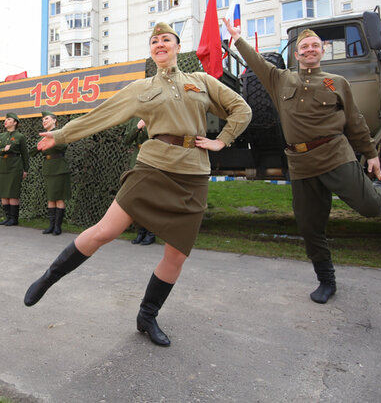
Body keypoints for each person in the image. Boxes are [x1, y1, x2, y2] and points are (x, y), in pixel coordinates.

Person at [24, 22, 252, 347]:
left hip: (193, 174)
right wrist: (61, 134)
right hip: (153, 167)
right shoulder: (141, 88)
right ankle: (48, 278)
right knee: (106, 230)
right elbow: (97, 117)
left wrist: (223, 141)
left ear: (176, 46)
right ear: (151, 50)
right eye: (155, 41)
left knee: (176, 255)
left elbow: (241, 109)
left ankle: (147, 316)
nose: (160, 44)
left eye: (166, 40)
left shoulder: (200, 82)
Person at [223, 19, 381, 304]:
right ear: (296, 54)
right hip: (300, 163)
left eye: (314, 46)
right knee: (309, 226)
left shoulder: (335, 82)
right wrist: (238, 39)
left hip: (335, 156)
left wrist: (371, 154)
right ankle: (326, 280)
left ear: (322, 51)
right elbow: (256, 62)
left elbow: (355, 122)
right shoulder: (282, 79)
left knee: (370, 208)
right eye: (304, 47)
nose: (309, 50)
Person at [30, 111, 71, 235]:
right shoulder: (43, 136)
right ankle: (51, 226)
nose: (44, 121)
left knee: (59, 198)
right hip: (48, 168)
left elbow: (63, 146)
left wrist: (52, 139)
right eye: (42, 120)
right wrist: (38, 146)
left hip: (59, 167)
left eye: (46, 119)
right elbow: (32, 152)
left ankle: (58, 227)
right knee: (51, 198)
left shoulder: (59, 133)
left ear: (54, 120)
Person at [122, 117, 155, 246]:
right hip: (136, 160)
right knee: (136, 199)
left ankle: (151, 233)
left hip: (152, 158)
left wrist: (145, 127)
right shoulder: (133, 118)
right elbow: (126, 139)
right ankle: (140, 231)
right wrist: (137, 127)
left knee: (149, 199)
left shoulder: (155, 115)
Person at [0, 112, 29, 226]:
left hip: (15, 166)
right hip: (3, 166)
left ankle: (14, 219)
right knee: (4, 193)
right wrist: (4, 149)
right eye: (5, 119)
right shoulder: (0, 136)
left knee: (13, 193)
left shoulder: (20, 137)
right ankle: (7, 217)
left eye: (9, 119)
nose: (6, 121)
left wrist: (25, 170)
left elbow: (25, 154)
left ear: (15, 122)